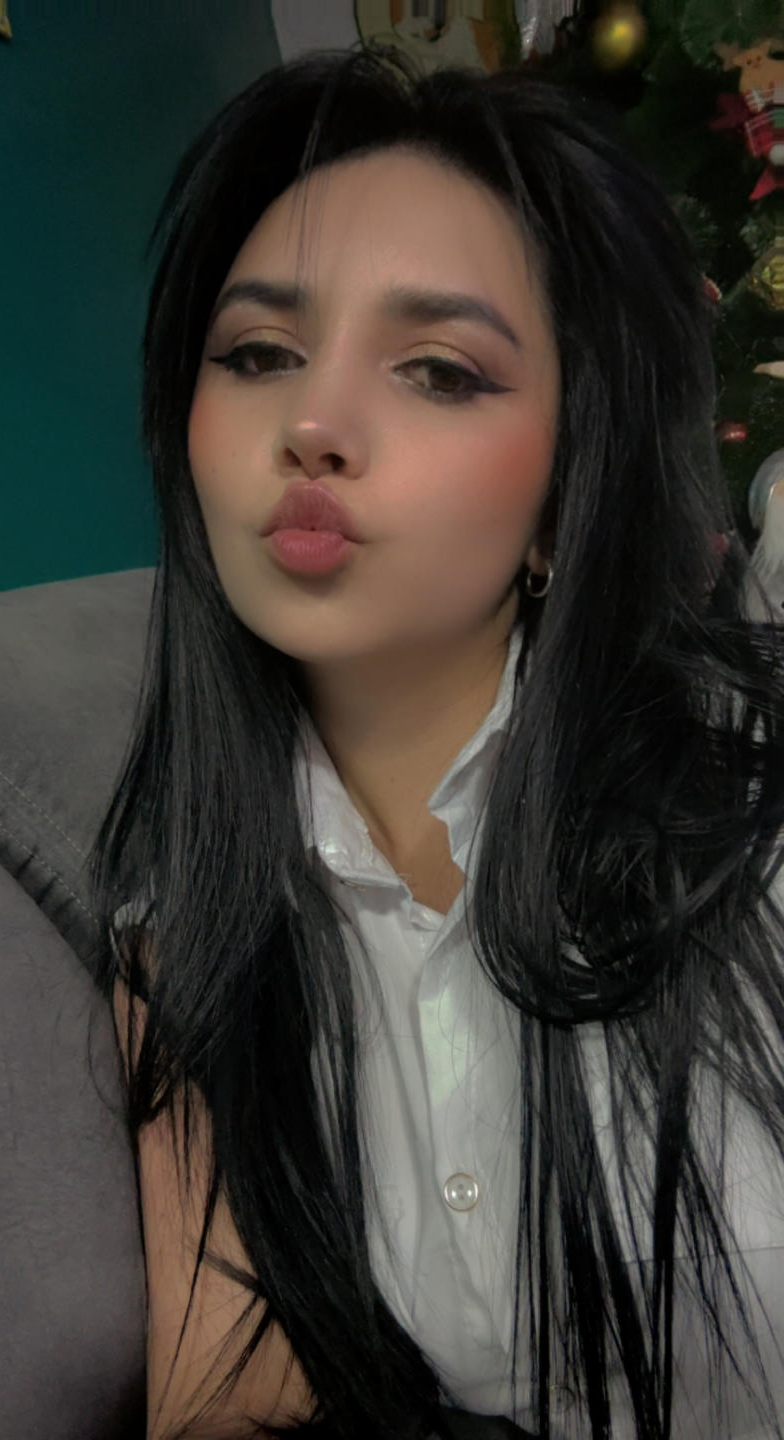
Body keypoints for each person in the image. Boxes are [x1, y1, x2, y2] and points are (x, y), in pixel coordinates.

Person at [86, 42, 784, 1440]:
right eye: (258, 354)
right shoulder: (184, 941)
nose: (312, 424)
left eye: (437, 370)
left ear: (565, 493)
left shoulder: (750, 823)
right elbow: (223, 1401)